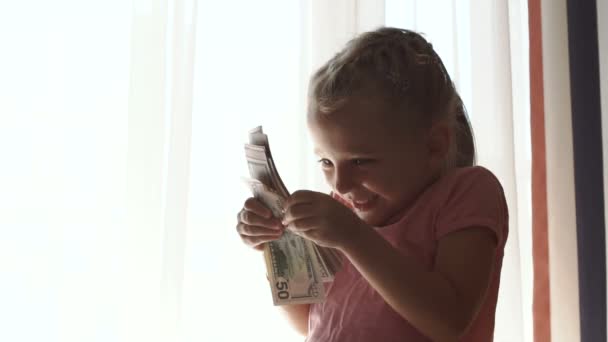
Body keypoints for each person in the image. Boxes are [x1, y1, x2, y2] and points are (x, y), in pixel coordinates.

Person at [236, 27, 508, 342]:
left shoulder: (468, 192)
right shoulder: (344, 212)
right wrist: (276, 245)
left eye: (361, 161)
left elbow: (449, 321)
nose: (341, 184)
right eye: (326, 162)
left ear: (433, 146)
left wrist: (353, 236)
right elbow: (309, 322)